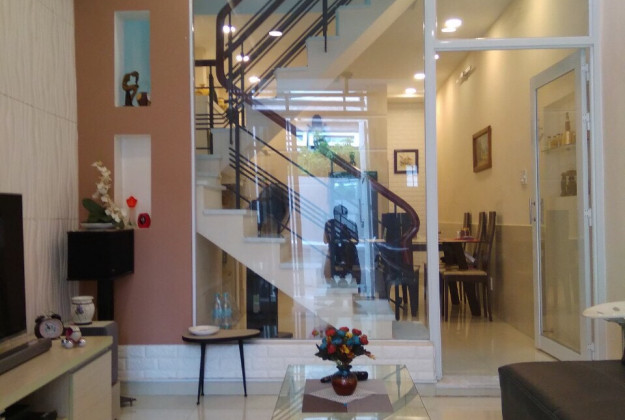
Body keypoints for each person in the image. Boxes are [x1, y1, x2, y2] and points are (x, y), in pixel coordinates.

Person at [323, 205, 360, 284]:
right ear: (334, 215)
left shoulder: (351, 224)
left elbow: (356, 241)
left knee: (354, 263)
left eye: (343, 215)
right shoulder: (329, 224)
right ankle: (331, 283)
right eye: (338, 215)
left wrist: (347, 239)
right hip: (335, 253)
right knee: (329, 262)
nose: (341, 217)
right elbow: (325, 240)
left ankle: (356, 284)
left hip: (349, 253)